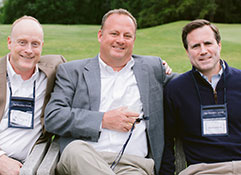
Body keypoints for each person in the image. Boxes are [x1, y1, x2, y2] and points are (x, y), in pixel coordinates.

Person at [44, 8, 176, 175]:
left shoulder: (152, 69)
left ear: (134, 40)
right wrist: (103, 120)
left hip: (132, 165)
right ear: (100, 35)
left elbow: (188, 85)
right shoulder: (72, 72)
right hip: (83, 160)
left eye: (127, 36)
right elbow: (53, 117)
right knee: (75, 149)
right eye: (114, 33)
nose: (120, 40)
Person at [160, 19, 241, 175]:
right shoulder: (176, 90)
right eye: (195, 46)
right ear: (187, 51)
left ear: (219, 45)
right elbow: (166, 141)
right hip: (202, 170)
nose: (203, 51)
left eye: (208, 43)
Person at [0, 16, 65, 175]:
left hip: (30, 163)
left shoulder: (52, 70)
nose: (28, 50)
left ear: (42, 46)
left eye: (35, 44)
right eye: (22, 42)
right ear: (10, 42)